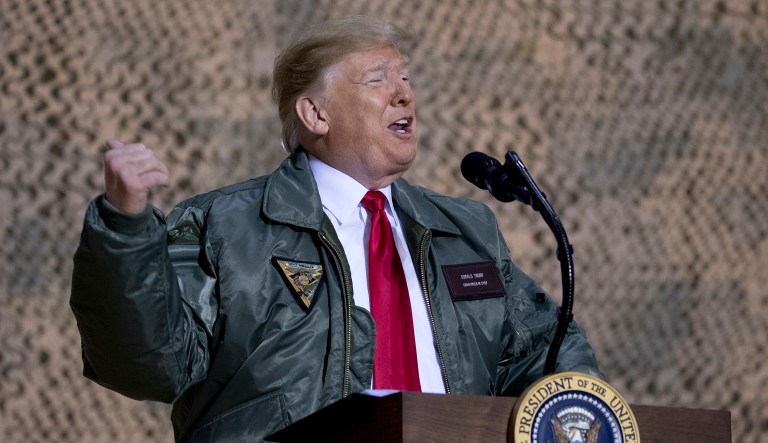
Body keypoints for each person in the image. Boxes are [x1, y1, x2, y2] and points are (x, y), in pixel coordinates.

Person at [70, 16, 602, 442]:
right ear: (315, 114)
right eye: (378, 80)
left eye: (406, 79)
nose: (404, 95)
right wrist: (125, 229)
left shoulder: (466, 231)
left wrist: (585, 422)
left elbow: (544, 354)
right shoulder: (221, 227)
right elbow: (150, 364)